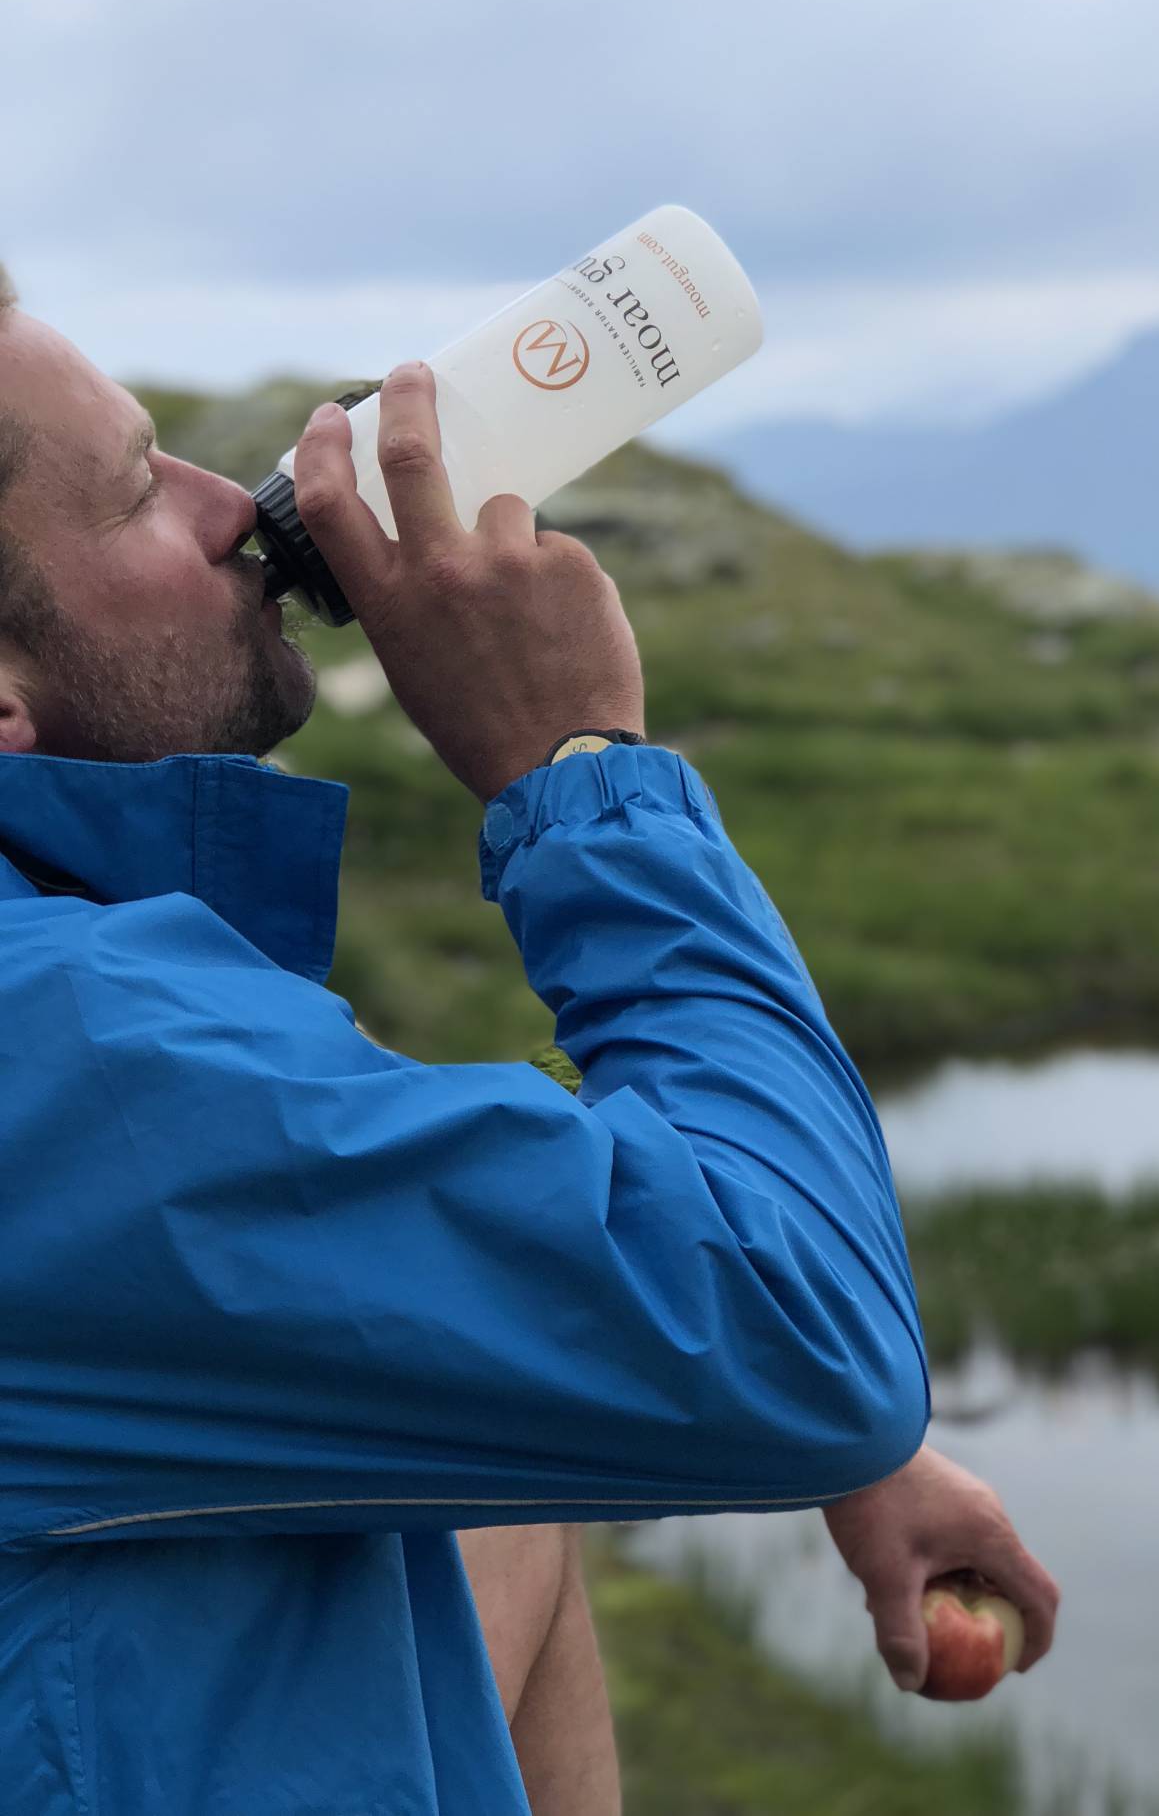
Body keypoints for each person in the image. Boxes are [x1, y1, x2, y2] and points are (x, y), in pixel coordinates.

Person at [0, 275, 1059, 1814]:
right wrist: (577, 771)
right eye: (134, 489)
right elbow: (805, 1332)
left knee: (502, 1507)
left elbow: (317, 1217)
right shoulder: (69, 1045)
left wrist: (844, 1449)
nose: (235, 507)